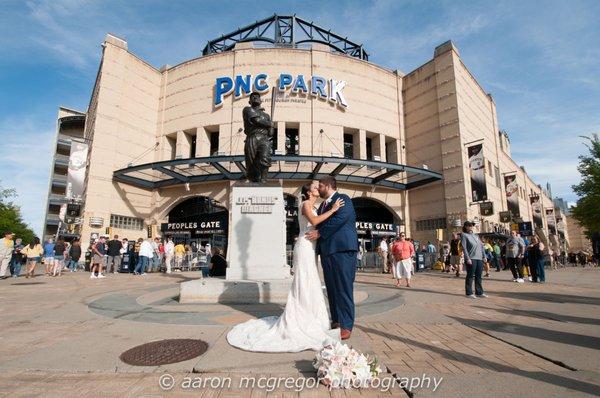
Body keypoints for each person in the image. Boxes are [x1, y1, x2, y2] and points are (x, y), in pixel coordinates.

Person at [227, 179, 347, 352]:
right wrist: (334, 210)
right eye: (315, 187)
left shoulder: (316, 206)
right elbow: (313, 221)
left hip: (311, 248)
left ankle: (312, 317)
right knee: (304, 281)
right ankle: (301, 317)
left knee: (311, 281)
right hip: (305, 247)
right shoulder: (306, 204)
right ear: (309, 192)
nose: (318, 189)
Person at [310, 176, 358, 340]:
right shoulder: (323, 205)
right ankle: (336, 320)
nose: (318, 189)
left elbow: (340, 218)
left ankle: (346, 325)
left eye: (320, 186)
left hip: (343, 250)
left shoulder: (342, 199)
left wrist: (319, 232)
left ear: (328, 185)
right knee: (331, 288)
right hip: (327, 251)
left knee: (344, 288)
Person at [460, 221, 486, 299]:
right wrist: (467, 258)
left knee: (479, 276)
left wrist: (484, 256)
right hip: (471, 258)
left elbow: (481, 246)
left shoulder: (476, 235)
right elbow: (464, 247)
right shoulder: (464, 235)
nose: (471, 227)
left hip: (479, 258)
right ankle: (469, 293)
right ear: (465, 227)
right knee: (470, 275)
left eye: (472, 226)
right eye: (469, 225)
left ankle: (479, 292)